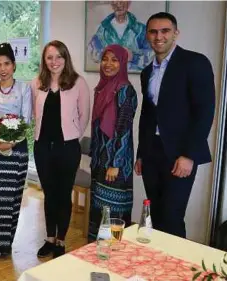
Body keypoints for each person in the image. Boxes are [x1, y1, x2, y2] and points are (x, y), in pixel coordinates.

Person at [135, 12, 215, 238]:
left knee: (172, 216)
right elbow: (148, 114)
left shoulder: (195, 62)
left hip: (180, 153)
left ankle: (175, 271)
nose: (158, 36)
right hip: (152, 152)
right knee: (156, 214)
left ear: (175, 34)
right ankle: (156, 268)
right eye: (153, 31)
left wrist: (189, 155)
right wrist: (141, 153)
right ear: (147, 35)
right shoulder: (147, 72)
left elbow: (204, 112)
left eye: (164, 31)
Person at [31, 40, 90, 258]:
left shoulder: (78, 83)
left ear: (65, 58)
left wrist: (71, 136)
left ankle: (61, 240)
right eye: (49, 57)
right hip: (42, 147)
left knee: (63, 195)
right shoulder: (36, 83)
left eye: (59, 57)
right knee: (49, 194)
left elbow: (84, 116)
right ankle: (49, 238)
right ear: (44, 60)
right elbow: (32, 113)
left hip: (67, 149)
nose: (54, 62)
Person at [0, 43, 32, 262]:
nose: (3, 69)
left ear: (13, 65)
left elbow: (26, 119)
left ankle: (7, 243)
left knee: (12, 198)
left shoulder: (24, 89)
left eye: (7, 64)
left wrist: (11, 142)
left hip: (17, 150)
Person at [88, 44, 137, 242]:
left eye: (114, 60)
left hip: (115, 163)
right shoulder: (102, 88)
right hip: (100, 160)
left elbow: (123, 130)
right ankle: (95, 253)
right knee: (99, 210)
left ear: (123, 63)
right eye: (105, 59)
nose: (108, 64)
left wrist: (115, 163)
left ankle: (113, 257)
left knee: (113, 212)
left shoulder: (126, 91)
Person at [88, 1, 153, 71]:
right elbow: (92, 53)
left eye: (122, 1)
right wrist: (107, 55)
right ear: (111, 4)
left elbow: (152, 56)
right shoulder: (102, 29)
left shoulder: (140, 29)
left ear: (129, 3)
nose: (119, 5)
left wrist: (133, 57)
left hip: (133, 77)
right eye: (116, 1)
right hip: (110, 77)